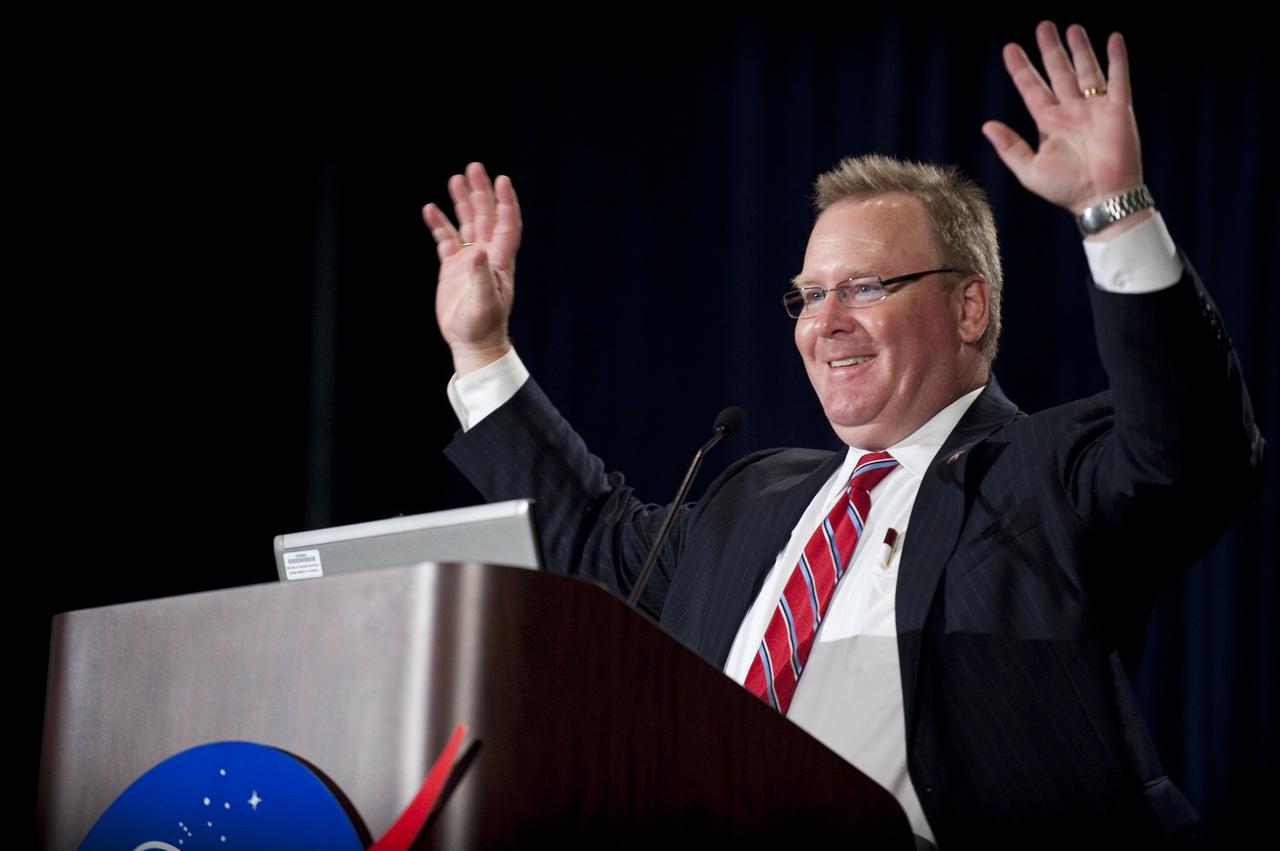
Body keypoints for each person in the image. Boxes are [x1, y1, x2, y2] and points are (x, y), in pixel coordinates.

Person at [422, 22, 1263, 847]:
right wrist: (481, 349)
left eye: (863, 286)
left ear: (968, 306)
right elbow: (596, 545)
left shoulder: (1041, 476)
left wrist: (1114, 214)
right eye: (808, 294)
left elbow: (1188, 448)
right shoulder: (753, 495)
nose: (825, 323)